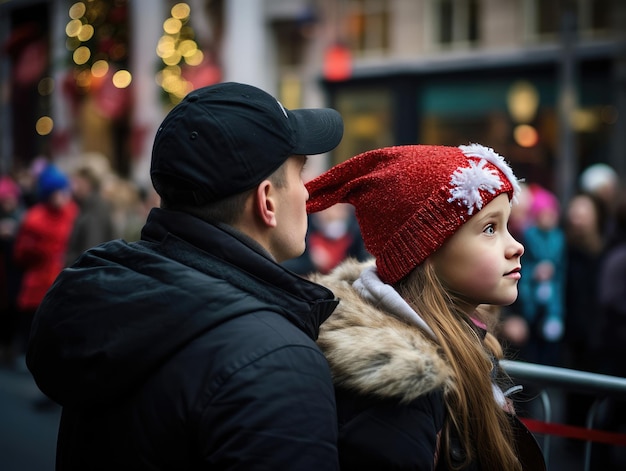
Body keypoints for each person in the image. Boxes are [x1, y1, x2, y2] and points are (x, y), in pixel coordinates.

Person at [26, 82, 344, 470]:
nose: (308, 194)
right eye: (300, 173)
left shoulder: (109, 299)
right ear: (267, 200)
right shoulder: (278, 360)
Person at [306, 144, 545, 470]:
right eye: (490, 228)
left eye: (507, 227)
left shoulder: (468, 338)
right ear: (425, 252)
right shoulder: (401, 393)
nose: (516, 246)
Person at [13, 164, 78, 357]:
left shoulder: (73, 213)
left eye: (63, 190)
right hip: (38, 283)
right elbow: (20, 253)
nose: (61, 196)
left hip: (65, 279)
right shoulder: (34, 218)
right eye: (56, 191)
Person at [516, 185, 566, 366]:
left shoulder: (559, 239)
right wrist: (534, 273)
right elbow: (523, 267)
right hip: (530, 298)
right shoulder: (527, 237)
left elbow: (562, 274)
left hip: (552, 298)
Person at [64, 163, 115, 266]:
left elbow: (92, 249)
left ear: (87, 183)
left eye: (77, 182)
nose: (74, 187)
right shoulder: (88, 206)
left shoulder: (95, 208)